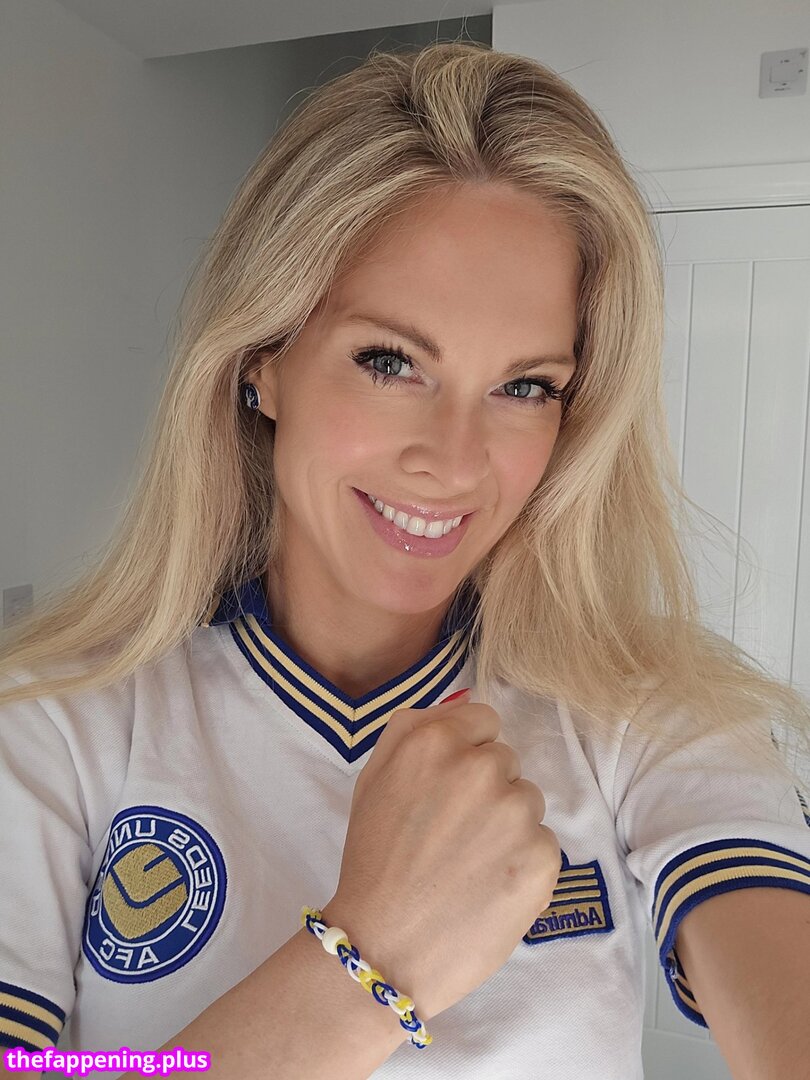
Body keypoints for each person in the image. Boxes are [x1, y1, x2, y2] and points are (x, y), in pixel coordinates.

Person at [1, 39, 809, 1080]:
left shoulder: (647, 710)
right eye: (390, 361)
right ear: (262, 364)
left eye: (525, 386)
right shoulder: (53, 723)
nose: (455, 461)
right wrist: (373, 958)